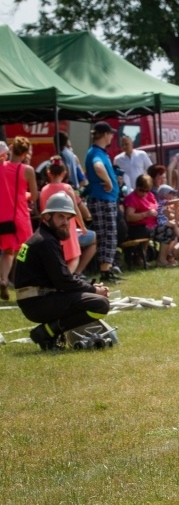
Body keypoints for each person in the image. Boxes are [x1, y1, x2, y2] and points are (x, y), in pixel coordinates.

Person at [14, 192, 110, 350]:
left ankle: (49, 334)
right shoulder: (46, 242)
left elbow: (60, 278)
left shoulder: (43, 238)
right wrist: (93, 290)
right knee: (100, 305)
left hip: (36, 300)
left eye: (68, 218)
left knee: (93, 298)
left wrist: (90, 288)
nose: (65, 222)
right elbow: (63, 280)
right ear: (47, 217)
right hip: (38, 303)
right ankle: (45, 333)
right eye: (60, 217)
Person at [39, 156, 93, 274]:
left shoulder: (44, 190)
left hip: (51, 229)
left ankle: (62, 278)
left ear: (49, 173)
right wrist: (82, 226)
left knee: (58, 256)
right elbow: (75, 210)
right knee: (74, 256)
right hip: (68, 228)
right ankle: (69, 278)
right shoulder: (67, 188)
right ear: (64, 172)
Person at [85, 122, 123, 282]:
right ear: (104, 134)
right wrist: (108, 180)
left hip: (103, 199)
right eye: (110, 133)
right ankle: (105, 271)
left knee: (107, 235)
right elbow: (98, 166)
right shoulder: (96, 153)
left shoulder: (97, 151)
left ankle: (106, 269)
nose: (112, 136)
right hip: (103, 199)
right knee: (108, 235)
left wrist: (113, 179)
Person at [1, 137, 38, 301]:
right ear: (24, 153)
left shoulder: (1, 166)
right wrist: (25, 195)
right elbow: (35, 195)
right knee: (24, 251)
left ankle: (3, 279)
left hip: (3, 217)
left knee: (8, 251)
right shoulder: (27, 170)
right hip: (20, 216)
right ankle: (24, 283)